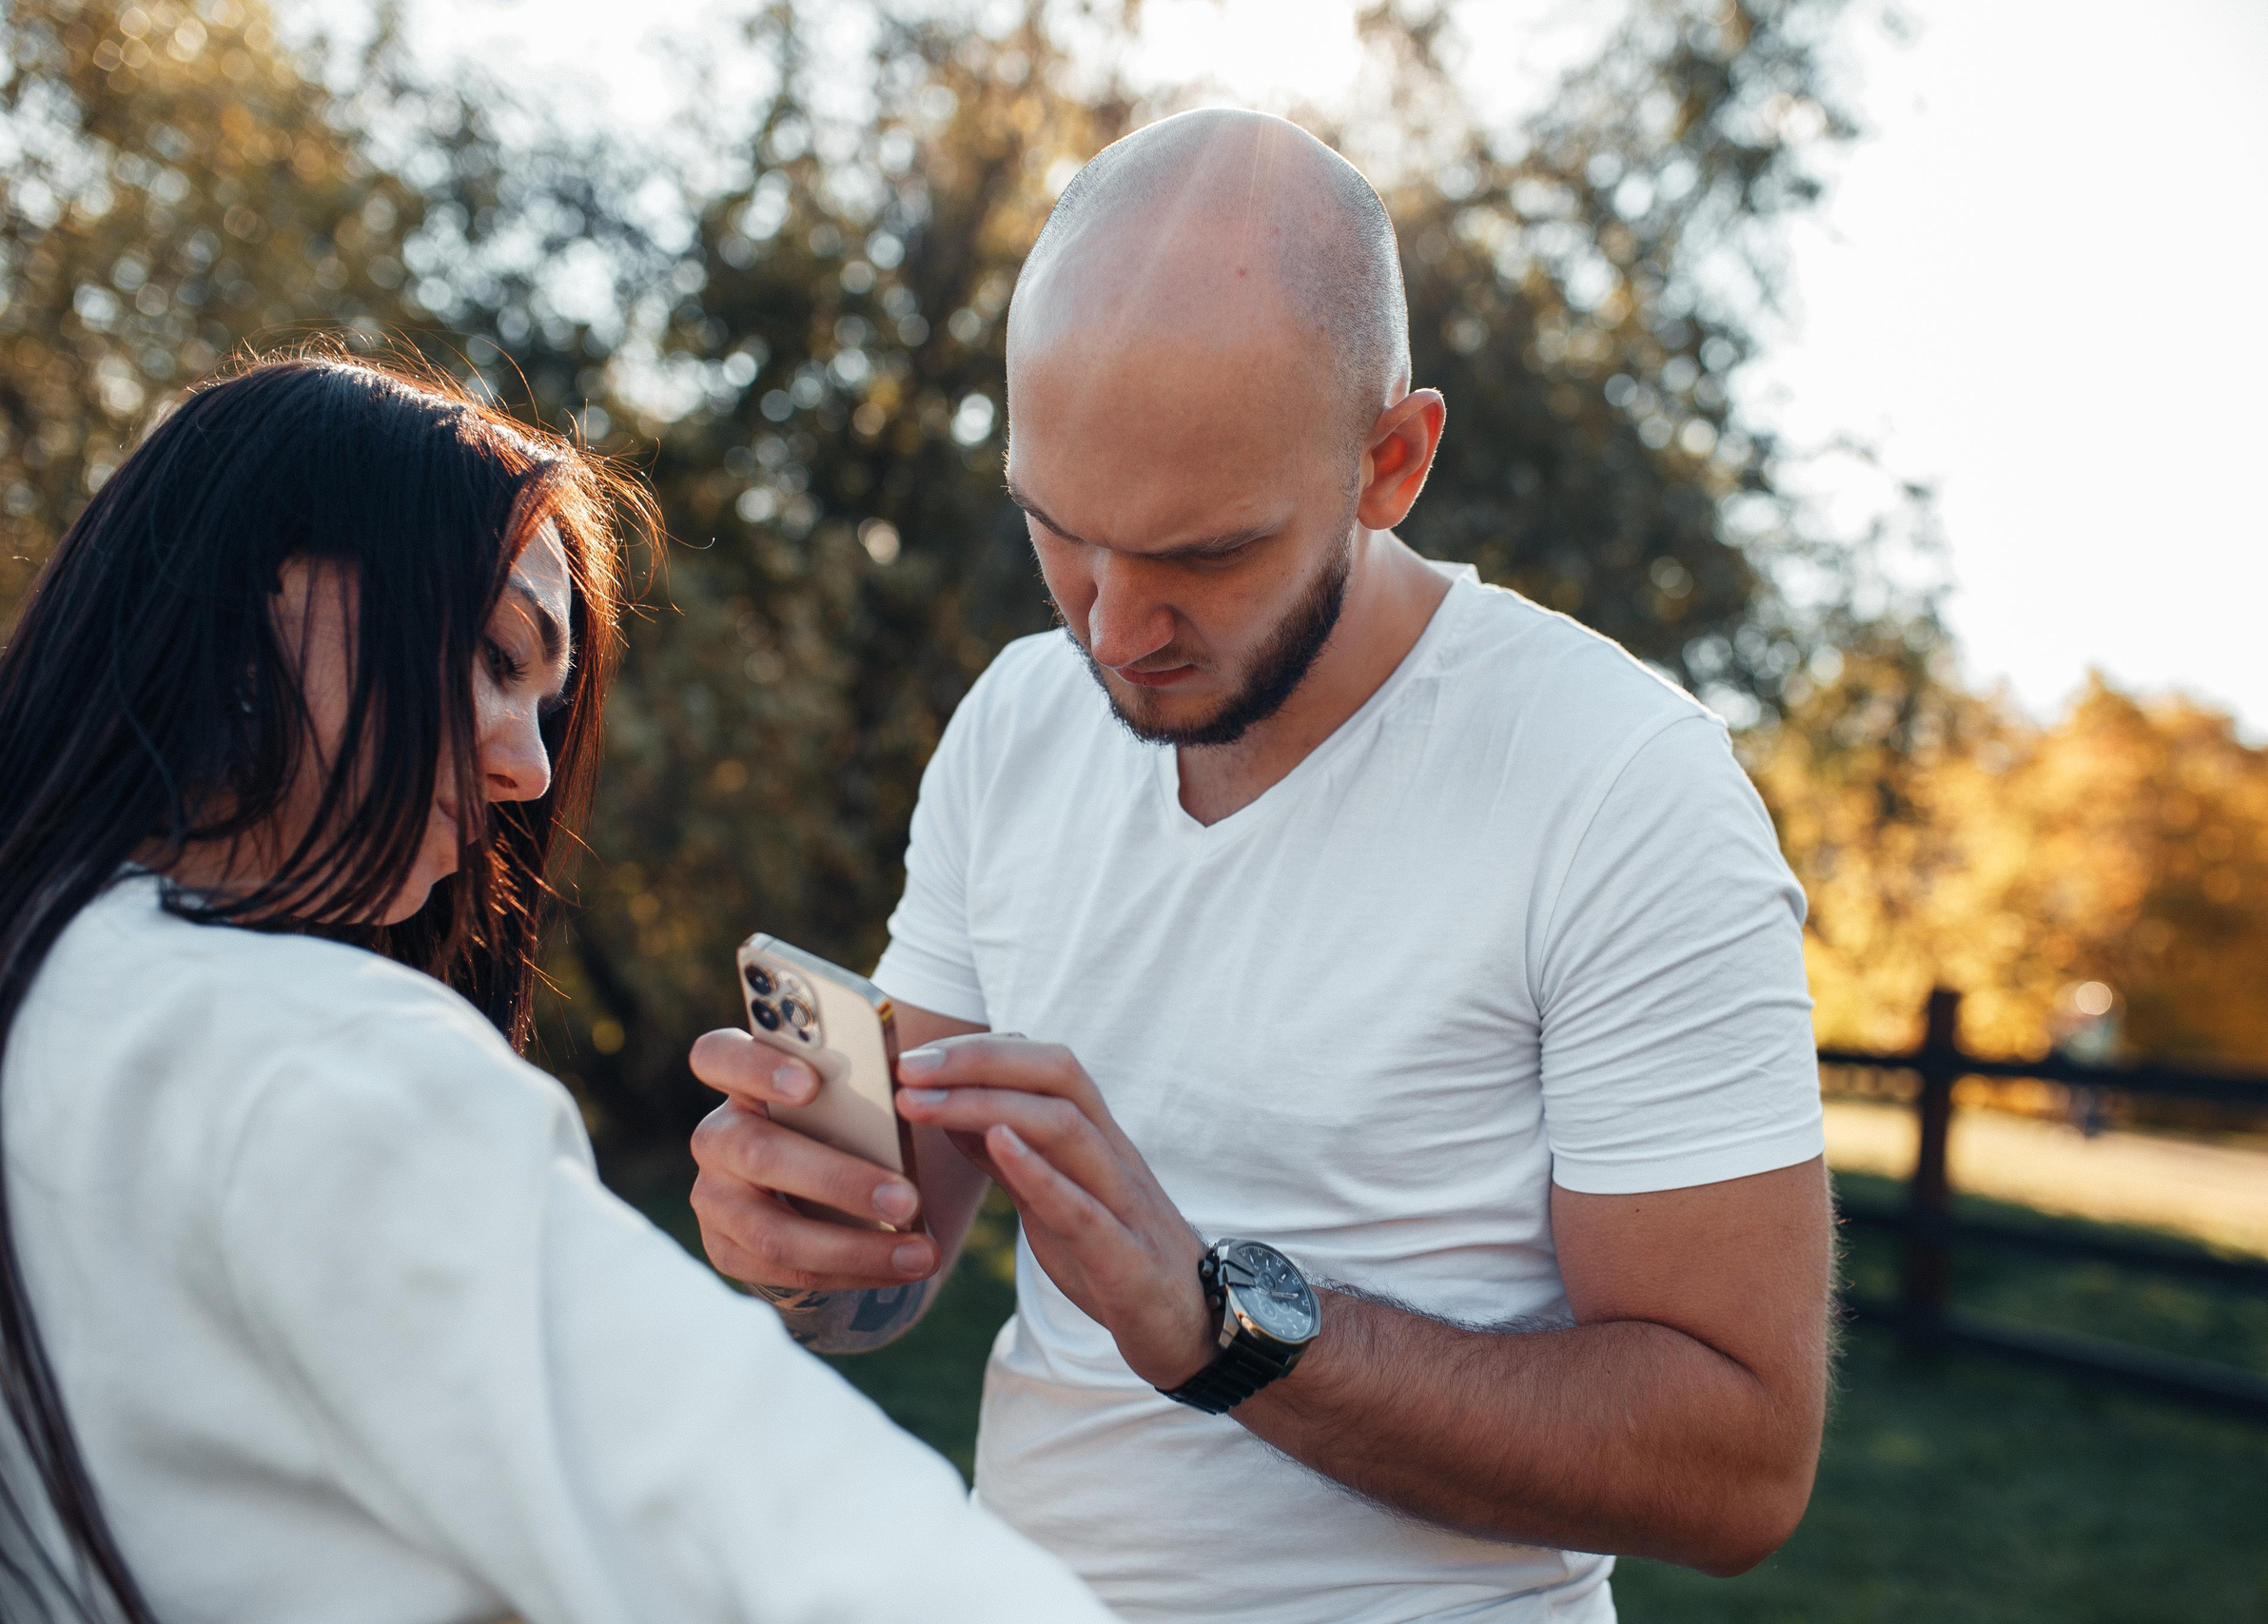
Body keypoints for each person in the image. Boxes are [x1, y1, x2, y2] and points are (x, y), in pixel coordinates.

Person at [690, 109, 1833, 1622]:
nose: (1110, 630)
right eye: (1063, 535)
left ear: (1392, 460)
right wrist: (802, 1243)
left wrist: (1217, 1322)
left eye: (1205, 555)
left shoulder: (1620, 784)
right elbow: (890, 1269)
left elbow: (1739, 1469)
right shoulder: (1018, 722)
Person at [0, 354, 1112, 1623]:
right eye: (493, 655)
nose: (530, 768)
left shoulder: (53, 980)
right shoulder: (319, 1061)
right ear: (258, 598)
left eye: (547, 698)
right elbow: (809, 1547)